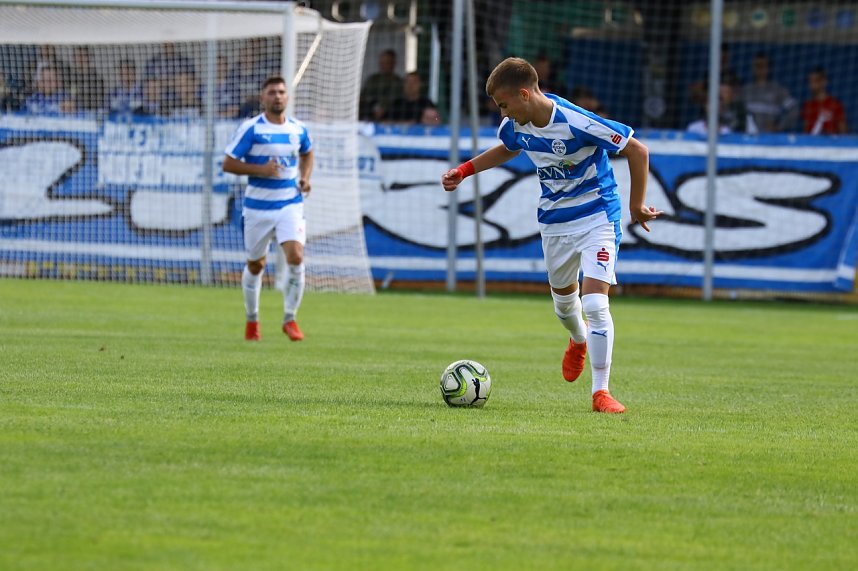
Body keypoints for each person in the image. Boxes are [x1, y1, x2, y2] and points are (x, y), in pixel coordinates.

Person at [441, 57, 661, 414]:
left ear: (524, 94)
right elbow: (508, 147)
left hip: (597, 217)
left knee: (594, 303)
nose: (503, 113)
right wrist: (465, 170)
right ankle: (578, 340)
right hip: (555, 223)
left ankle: (600, 393)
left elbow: (637, 149)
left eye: (504, 104)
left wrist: (636, 206)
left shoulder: (576, 121)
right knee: (564, 305)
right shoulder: (516, 124)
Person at [222, 75, 314, 342]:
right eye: (272, 92)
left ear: (287, 97)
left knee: (296, 256)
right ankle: (252, 321)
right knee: (255, 264)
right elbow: (228, 164)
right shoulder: (251, 129)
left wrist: (305, 178)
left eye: (282, 92)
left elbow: (308, 153)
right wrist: (259, 169)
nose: (278, 96)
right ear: (263, 98)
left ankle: (290, 318)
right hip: (257, 208)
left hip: (290, 204)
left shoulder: (298, 129)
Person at [741, 53, 798, 133]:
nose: (760, 69)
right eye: (757, 65)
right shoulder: (745, 90)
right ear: (753, 68)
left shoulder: (778, 90)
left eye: (763, 66)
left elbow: (794, 109)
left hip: (770, 139)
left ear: (769, 68)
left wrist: (779, 126)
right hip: (748, 138)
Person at [686, 82, 757, 135]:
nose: (712, 108)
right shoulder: (693, 128)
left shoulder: (727, 131)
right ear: (705, 106)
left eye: (726, 92)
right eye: (709, 103)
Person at [359, 49, 403, 121]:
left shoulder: (398, 82)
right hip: (370, 115)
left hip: (390, 117)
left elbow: (397, 99)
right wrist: (374, 107)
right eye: (382, 62)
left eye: (387, 62)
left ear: (393, 63)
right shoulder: (373, 79)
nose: (384, 65)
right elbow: (364, 96)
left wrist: (384, 107)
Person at [802, 67, 847, 135]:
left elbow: (843, 131)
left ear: (824, 82)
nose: (812, 85)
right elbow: (806, 130)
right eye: (810, 81)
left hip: (831, 144)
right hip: (811, 143)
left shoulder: (835, 104)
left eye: (815, 81)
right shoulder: (808, 105)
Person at [68, 46, 105, 112]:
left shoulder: (96, 79)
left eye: (83, 55)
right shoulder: (70, 77)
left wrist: (76, 105)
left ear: (89, 57)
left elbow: (97, 102)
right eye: (78, 56)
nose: (80, 59)